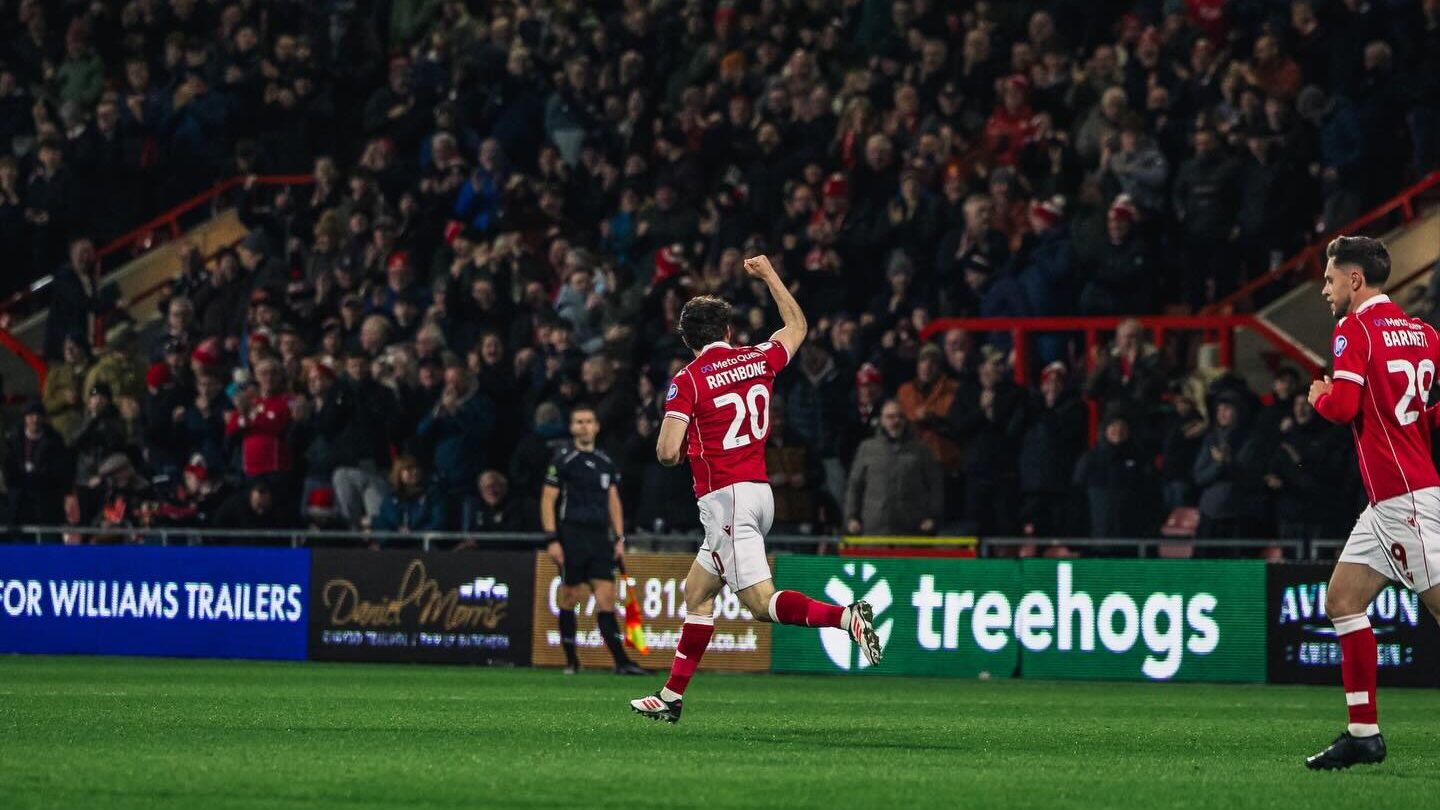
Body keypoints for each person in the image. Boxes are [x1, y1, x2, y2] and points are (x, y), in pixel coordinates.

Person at [630, 255, 882, 724]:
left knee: (762, 605)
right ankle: (671, 695)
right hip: (758, 492)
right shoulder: (757, 358)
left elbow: (666, 452)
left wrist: (685, 448)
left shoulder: (687, 380)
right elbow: (798, 327)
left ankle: (847, 617)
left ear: (687, 340)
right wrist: (768, 275)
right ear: (727, 332)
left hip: (726, 497)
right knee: (696, 592)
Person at [1302, 236, 1440, 769]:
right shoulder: (1425, 333)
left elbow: (1343, 407)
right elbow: (1419, 415)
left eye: (1331, 279)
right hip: (1394, 498)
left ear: (1355, 280)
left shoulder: (1354, 329)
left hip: (1403, 498)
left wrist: (1319, 396)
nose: (1325, 289)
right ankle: (1363, 733)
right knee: (1342, 600)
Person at [541, 405, 641, 675]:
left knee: (607, 598)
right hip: (571, 534)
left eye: (588, 421)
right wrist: (552, 539)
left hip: (599, 538)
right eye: (578, 422)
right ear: (572, 428)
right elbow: (548, 499)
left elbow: (613, 501)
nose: (584, 426)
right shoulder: (563, 459)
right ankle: (571, 660)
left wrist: (619, 538)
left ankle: (621, 662)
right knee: (570, 595)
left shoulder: (605, 462)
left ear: (596, 426)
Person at [844, 400, 943, 536]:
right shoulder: (867, 448)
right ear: (882, 420)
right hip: (875, 530)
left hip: (912, 530)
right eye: (890, 417)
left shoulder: (921, 449)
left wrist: (933, 517)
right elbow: (855, 486)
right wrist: (851, 517)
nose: (896, 421)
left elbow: (935, 485)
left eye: (900, 416)